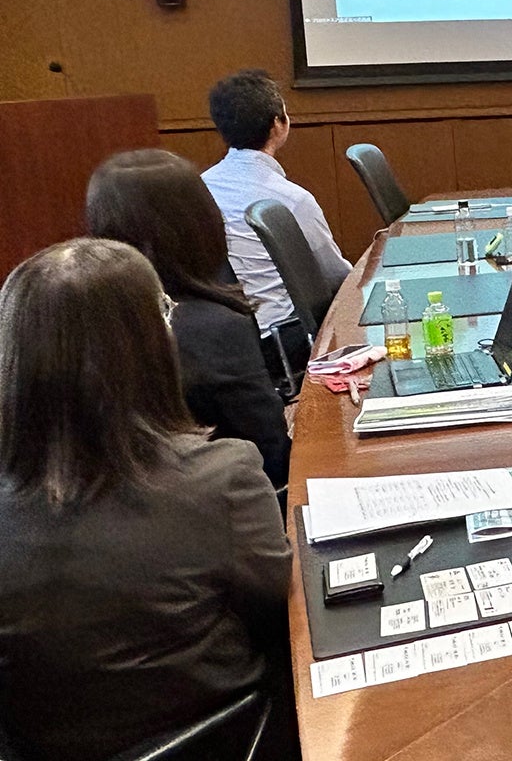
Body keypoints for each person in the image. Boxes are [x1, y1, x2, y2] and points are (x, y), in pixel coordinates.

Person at [0, 239, 292, 761]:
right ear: (147, 345)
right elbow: (282, 605)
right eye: (164, 311)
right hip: (233, 734)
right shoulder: (219, 479)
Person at [87, 149, 291, 488]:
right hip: (222, 509)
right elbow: (273, 458)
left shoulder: (78, 317)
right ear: (203, 223)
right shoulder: (214, 326)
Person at [201, 69, 352, 330]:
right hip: (284, 333)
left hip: (223, 337)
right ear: (278, 124)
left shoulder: (197, 188)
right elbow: (334, 276)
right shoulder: (293, 200)